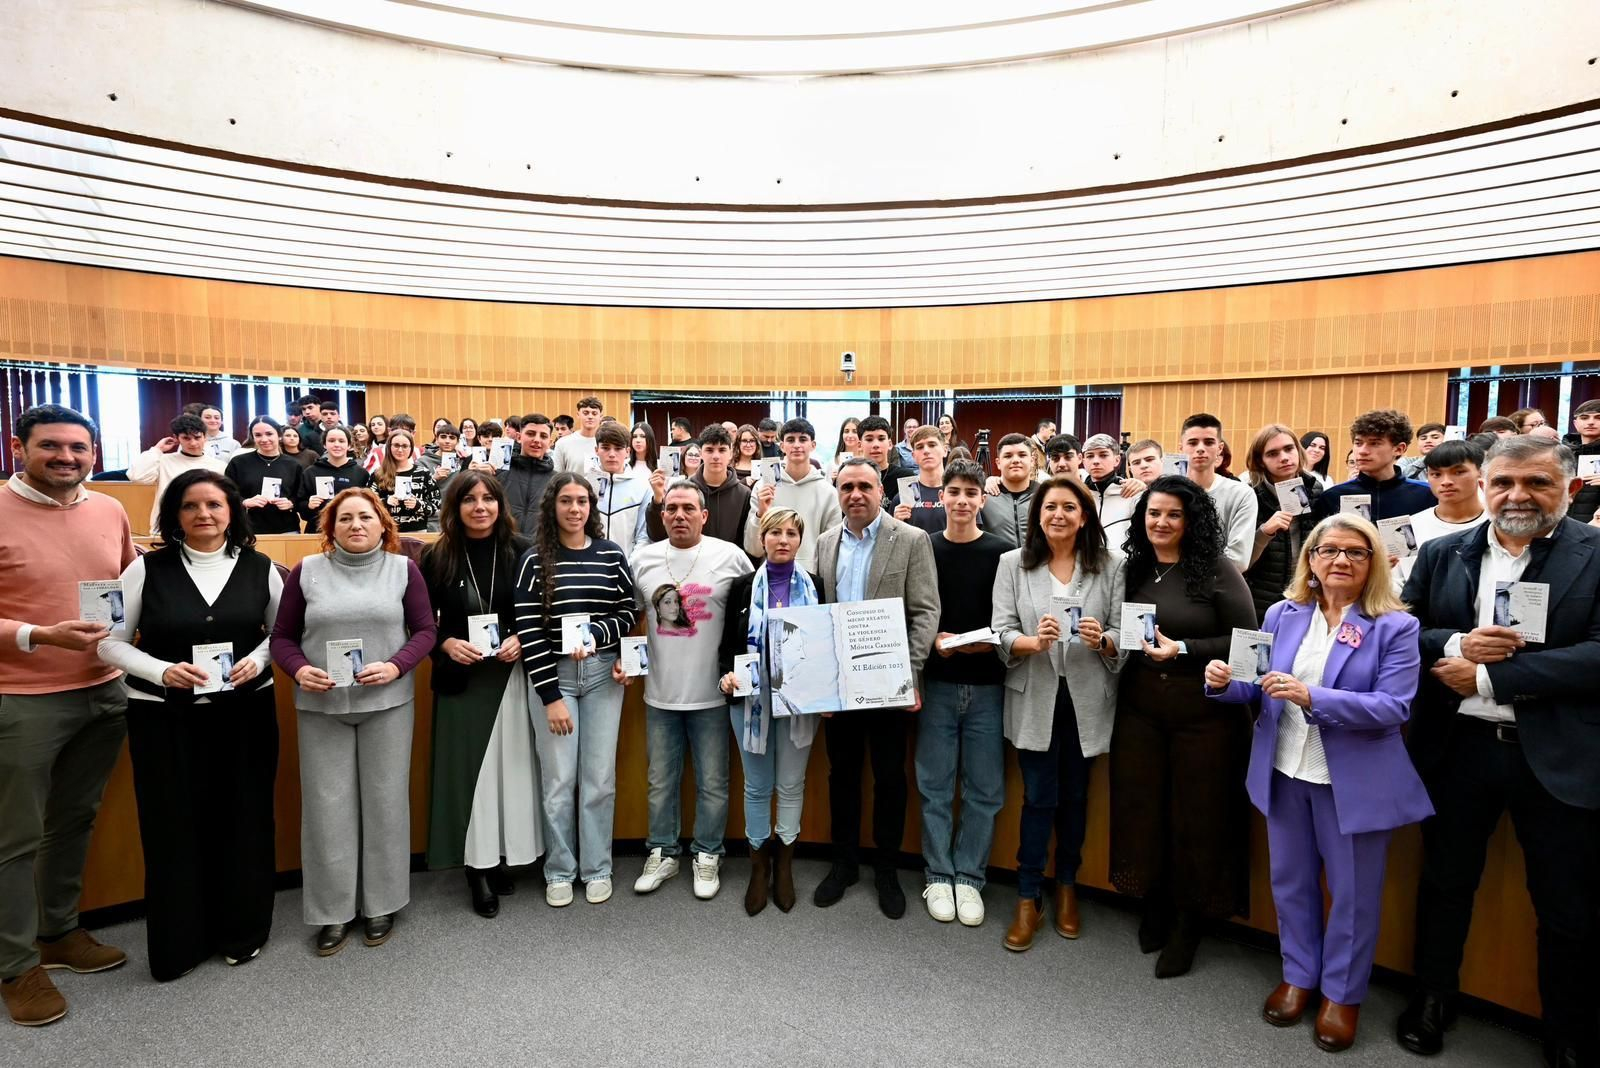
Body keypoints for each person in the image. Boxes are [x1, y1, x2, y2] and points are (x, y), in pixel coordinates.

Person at [1397, 436, 1600, 1065]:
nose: (1518, 495)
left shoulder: (1595, 554)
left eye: (1537, 483)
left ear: (1570, 488)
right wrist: (1456, 643)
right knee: (1445, 884)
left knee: (1565, 904)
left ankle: (1565, 1029)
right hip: (1459, 747)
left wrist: (1492, 677)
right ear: (1484, 485)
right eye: (1504, 482)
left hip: (1558, 757)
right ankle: (1433, 998)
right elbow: (1405, 627)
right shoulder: (1442, 551)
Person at [1206, 514, 1429, 1053]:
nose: (1340, 560)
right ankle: (1299, 975)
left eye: (1355, 552)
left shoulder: (1395, 626)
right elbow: (1255, 687)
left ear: (1373, 562)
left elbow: (1394, 707)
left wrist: (1313, 697)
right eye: (1328, 550)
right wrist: (1221, 682)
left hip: (1350, 781)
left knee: (1352, 895)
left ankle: (1342, 994)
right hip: (1284, 769)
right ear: (1310, 558)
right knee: (1291, 882)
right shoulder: (1284, 613)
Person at [97, 470, 283, 980]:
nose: (204, 514)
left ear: (232, 513)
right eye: (191, 506)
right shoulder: (144, 570)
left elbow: (286, 632)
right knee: (172, 827)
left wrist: (259, 659)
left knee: (244, 820)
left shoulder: (261, 567)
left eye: (215, 505)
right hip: (163, 718)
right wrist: (162, 671)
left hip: (245, 715)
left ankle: (242, 932)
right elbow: (107, 643)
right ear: (175, 515)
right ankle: (181, 942)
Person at [0, 405, 136, 1027]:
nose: (66, 457)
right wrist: (38, 635)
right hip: (20, 700)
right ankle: (15, 965)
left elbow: (129, 587)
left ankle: (59, 932)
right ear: (17, 446)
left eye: (79, 448)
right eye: (50, 446)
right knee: (14, 840)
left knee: (75, 820)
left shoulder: (109, 509)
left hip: (104, 690)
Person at [269, 488, 437, 956]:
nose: (356, 525)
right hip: (322, 708)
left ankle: (381, 903)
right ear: (330, 527)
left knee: (386, 803)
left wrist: (396, 665)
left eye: (366, 517)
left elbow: (425, 631)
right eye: (345, 518)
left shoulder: (403, 570)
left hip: (387, 703)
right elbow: (282, 638)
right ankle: (332, 912)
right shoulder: (307, 572)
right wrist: (300, 669)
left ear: (384, 524)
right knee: (327, 811)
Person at [1110, 475, 1257, 978]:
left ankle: (1188, 922)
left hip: (1206, 718)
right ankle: (1153, 902)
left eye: (1173, 514)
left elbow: (1249, 643)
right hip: (1140, 712)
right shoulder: (1133, 570)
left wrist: (1186, 649)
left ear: (1192, 520)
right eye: (1154, 513)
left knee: (1197, 819)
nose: (1161, 523)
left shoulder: (1217, 570)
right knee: (1143, 808)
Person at [991, 474, 1126, 949]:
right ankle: (1028, 895)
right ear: (1037, 515)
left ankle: (1067, 885)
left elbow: (1124, 633)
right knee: (1038, 797)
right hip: (1036, 695)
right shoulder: (1013, 563)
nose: (1058, 515)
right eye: (1050, 508)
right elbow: (1001, 630)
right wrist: (1033, 641)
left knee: (1075, 797)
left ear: (1084, 515)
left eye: (1069, 507)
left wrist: (1104, 638)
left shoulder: (1111, 565)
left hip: (1086, 698)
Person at [812, 458, 940, 918]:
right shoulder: (825, 542)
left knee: (889, 778)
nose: (855, 494)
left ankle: (886, 870)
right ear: (837, 491)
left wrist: (910, 673)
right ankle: (843, 864)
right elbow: (820, 614)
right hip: (840, 686)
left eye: (865, 486)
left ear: (880, 491)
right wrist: (820, 683)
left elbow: (925, 611)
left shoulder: (910, 539)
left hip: (890, 684)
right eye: (846, 487)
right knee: (841, 777)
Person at [513, 474, 638, 907]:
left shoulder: (611, 554)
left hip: (603, 674)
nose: (575, 509)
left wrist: (599, 634)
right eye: (566, 501)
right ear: (553, 507)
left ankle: (597, 867)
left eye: (582, 501)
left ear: (591, 506)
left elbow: (629, 609)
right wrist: (550, 698)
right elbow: (528, 631)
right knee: (560, 781)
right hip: (556, 677)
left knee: (599, 779)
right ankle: (560, 870)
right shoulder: (534, 560)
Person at [627, 481, 753, 901]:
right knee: (660, 781)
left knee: (714, 782)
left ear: (705, 515)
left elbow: (752, 614)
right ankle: (662, 851)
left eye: (688, 509)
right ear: (662, 516)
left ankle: (707, 853)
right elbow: (626, 616)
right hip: (660, 692)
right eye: (672, 509)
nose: (679, 515)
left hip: (713, 695)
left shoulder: (730, 557)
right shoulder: (642, 559)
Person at [422, 473, 539, 919]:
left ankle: (501, 854)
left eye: (488, 498)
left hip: (511, 675)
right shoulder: (437, 555)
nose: (480, 507)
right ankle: (477, 867)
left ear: (500, 504)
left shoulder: (523, 549)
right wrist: (444, 643)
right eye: (469, 499)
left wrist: (524, 638)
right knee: (469, 778)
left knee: (510, 774)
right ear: (455, 507)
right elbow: (416, 623)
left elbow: (544, 608)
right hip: (463, 678)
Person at [914, 461, 1015, 928]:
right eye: (952, 492)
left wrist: (988, 640)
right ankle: (938, 873)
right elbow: (913, 609)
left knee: (985, 789)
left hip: (988, 687)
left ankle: (970, 877)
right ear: (942, 497)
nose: (960, 500)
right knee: (934, 785)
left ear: (982, 499)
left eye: (970, 493)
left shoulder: (1003, 552)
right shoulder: (924, 548)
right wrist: (934, 639)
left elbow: (1012, 617)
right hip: (936, 682)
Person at [717, 507, 823, 916]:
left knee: (791, 785)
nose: (782, 540)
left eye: (790, 534)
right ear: (762, 539)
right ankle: (759, 866)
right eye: (774, 533)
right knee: (757, 786)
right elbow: (726, 645)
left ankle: (785, 866)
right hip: (751, 701)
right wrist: (726, 676)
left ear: (800, 540)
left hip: (800, 701)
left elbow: (823, 646)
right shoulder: (742, 586)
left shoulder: (815, 585)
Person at [1244, 424, 1325, 620]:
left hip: (1307, 595)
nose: (1284, 457)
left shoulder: (1315, 489)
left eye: (1289, 449)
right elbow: (1241, 561)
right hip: (1262, 599)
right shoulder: (1249, 495)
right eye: (1272, 453)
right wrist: (1265, 532)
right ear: (1261, 461)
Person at [747, 417, 842, 572]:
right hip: (771, 578)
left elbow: (831, 550)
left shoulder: (828, 493)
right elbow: (753, 549)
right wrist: (761, 514)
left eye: (802, 439)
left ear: (813, 445)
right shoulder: (764, 487)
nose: (797, 445)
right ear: (782, 446)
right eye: (791, 440)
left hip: (812, 579)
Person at [1393, 438, 1489, 591]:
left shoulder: (1496, 523)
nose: (1446, 481)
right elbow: (1396, 583)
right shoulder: (1407, 528)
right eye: (1436, 474)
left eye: (1458, 472)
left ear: (1480, 472)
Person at [1310, 409, 1436, 522]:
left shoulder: (1427, 495)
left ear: (1399, 449)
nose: (1363, 451)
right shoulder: (1333, 496)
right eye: (1358, 443)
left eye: (1374, 443)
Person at [645, 425, 756, 550]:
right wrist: (658, 499)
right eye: (709, 450)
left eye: (722, 450)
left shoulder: (743, 494)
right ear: (701, 453)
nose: (716, 456)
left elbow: (746, 542)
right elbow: (657, 535)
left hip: (728, 566)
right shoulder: (683, 490)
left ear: (730, 453)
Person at [1178, 413, 1257, 571]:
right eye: (1193, 443)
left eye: (1208, 442)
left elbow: (1238, 560)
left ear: (1220, 448)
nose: (1200, 449)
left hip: (1217, 588)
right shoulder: (1168, 493)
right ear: (1181, 447)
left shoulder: (1241, 494)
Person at [127, 412, 227, 533]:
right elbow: (137, 476)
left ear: (205, 437)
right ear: (177, 438)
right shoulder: (164, 460)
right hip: (168, 525)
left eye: (197, 437)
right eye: (186, 438)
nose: (193, 443)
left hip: (204, 524)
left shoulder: (219, 466)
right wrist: (157, 449)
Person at [224, 417, 306, 535]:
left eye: (269, 434)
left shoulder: (293, 465)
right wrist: (244, 502)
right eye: (258, 435)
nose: (264, 439)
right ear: (253, 437)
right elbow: (226, 493)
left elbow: (301, 496)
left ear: (279, 435)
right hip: (248, 529)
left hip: (286, 529)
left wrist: (291, 503)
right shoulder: (239, 463)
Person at [588, 422, 652, 559]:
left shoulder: (642, 487)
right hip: (589, 567)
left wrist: (630, 565)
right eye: (605, 448)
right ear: (596, 450)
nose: (612, 454)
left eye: (618, 448)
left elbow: (643, 536)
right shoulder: (585, 485)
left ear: (628, 452)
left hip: (626, 567)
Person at [298, 423, 372, 534]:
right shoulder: (310, 472)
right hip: (318, 531)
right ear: (324, 444)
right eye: (331, 441)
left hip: (352, 532)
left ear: (349, 445)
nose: (336, 445)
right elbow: (300, 505)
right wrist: (308, 505)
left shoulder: (361, 473)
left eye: (341, 441)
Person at [370, 428, 440, 534]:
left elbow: (436, 505)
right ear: (389, 447)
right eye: (396, 445)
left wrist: (418, 505)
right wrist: (385, 502)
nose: (400, 450)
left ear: (411, 448)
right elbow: (368, 504)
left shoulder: (423, 473)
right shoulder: (378, 474)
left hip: (417, 531)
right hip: (386, 532)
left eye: (405, 446)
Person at [1080, 433, 1144, 546]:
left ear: (1117, 460)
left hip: (1123, 561)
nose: (1095, 461)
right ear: (1084, 461)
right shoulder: (1077, 495)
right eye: (1090, 456)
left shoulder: (1132, 492)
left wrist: (1147, 489)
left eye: (1103, 455)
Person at [502, 414, 557, 533]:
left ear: (550, 442)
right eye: (531, 434)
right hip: (503, 546)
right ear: (519, 437)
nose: (537, 440)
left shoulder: (557, 481)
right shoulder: (500, 473)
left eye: (543, 436)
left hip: (539, 549)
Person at [982, 433, 1038, 546]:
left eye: (1022, 455)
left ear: (1032, 460)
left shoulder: (1044, 495)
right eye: (1008, 456)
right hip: (997, 563)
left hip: (1037, 563)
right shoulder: (984, 497)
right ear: (998, 463)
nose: (1015, 460)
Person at [892, 424, 950, 533]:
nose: (926, 451)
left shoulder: (958, 491)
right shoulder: (904, 496)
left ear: (945, 450)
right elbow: (891, 541)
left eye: (932, 445)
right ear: (913, 456)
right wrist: (895, 524)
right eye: (920, 447)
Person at [855, 416, 916, 501]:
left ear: (890, 444)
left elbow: (915, 512)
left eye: (881, 439)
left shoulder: (906, 477)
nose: (876, 445)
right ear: (859, 445)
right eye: (869, 439)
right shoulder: (850, 476)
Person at [552, 396, 603, 475]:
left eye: (594, 413)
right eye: (585, 413)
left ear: (600, 416)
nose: (590, 416)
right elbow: (556, 476)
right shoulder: (563, 443)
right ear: (578, 415)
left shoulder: (607, 443)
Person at [1569, 398, 1600, 523]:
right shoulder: (1561, 453)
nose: (1591, 422)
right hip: (1563, 526)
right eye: (1584, 417)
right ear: (1575, 423)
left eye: (1598, 417)